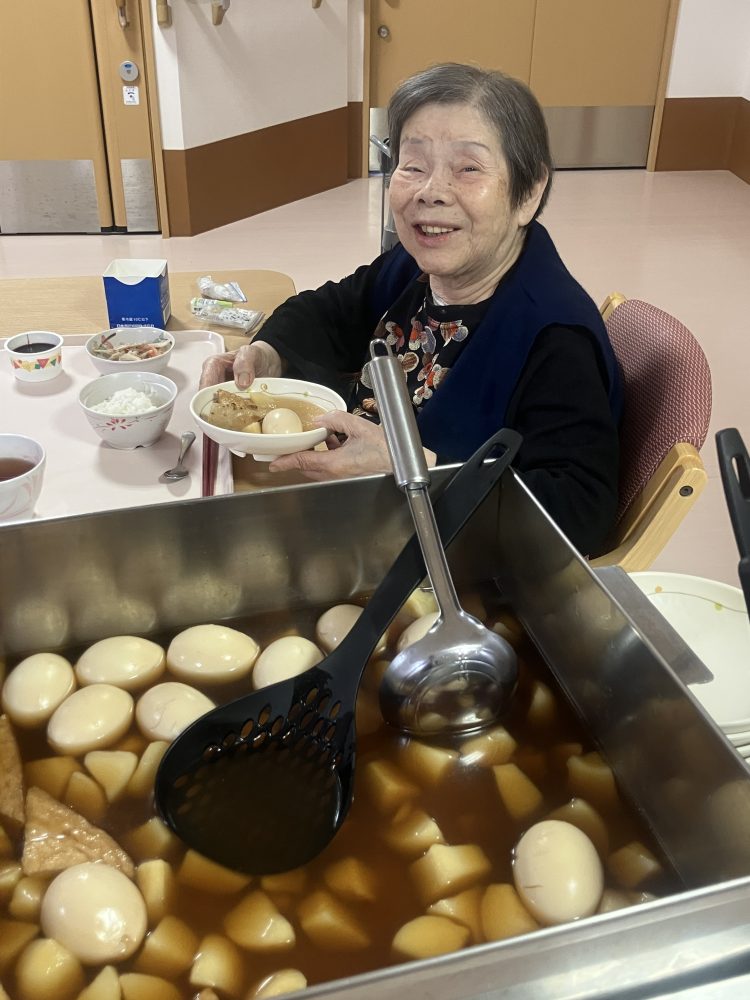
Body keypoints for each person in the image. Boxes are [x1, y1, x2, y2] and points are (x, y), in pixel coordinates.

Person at [200, 63, 622, 556]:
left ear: (528, 193)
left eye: (468, 168)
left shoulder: (554, 335)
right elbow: (333, 309)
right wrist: (269, 353)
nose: (431, 191)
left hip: (439, 557)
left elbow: (581, 512)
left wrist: (411, 465)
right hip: (360, 510)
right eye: (414, 165)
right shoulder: (416, 266)